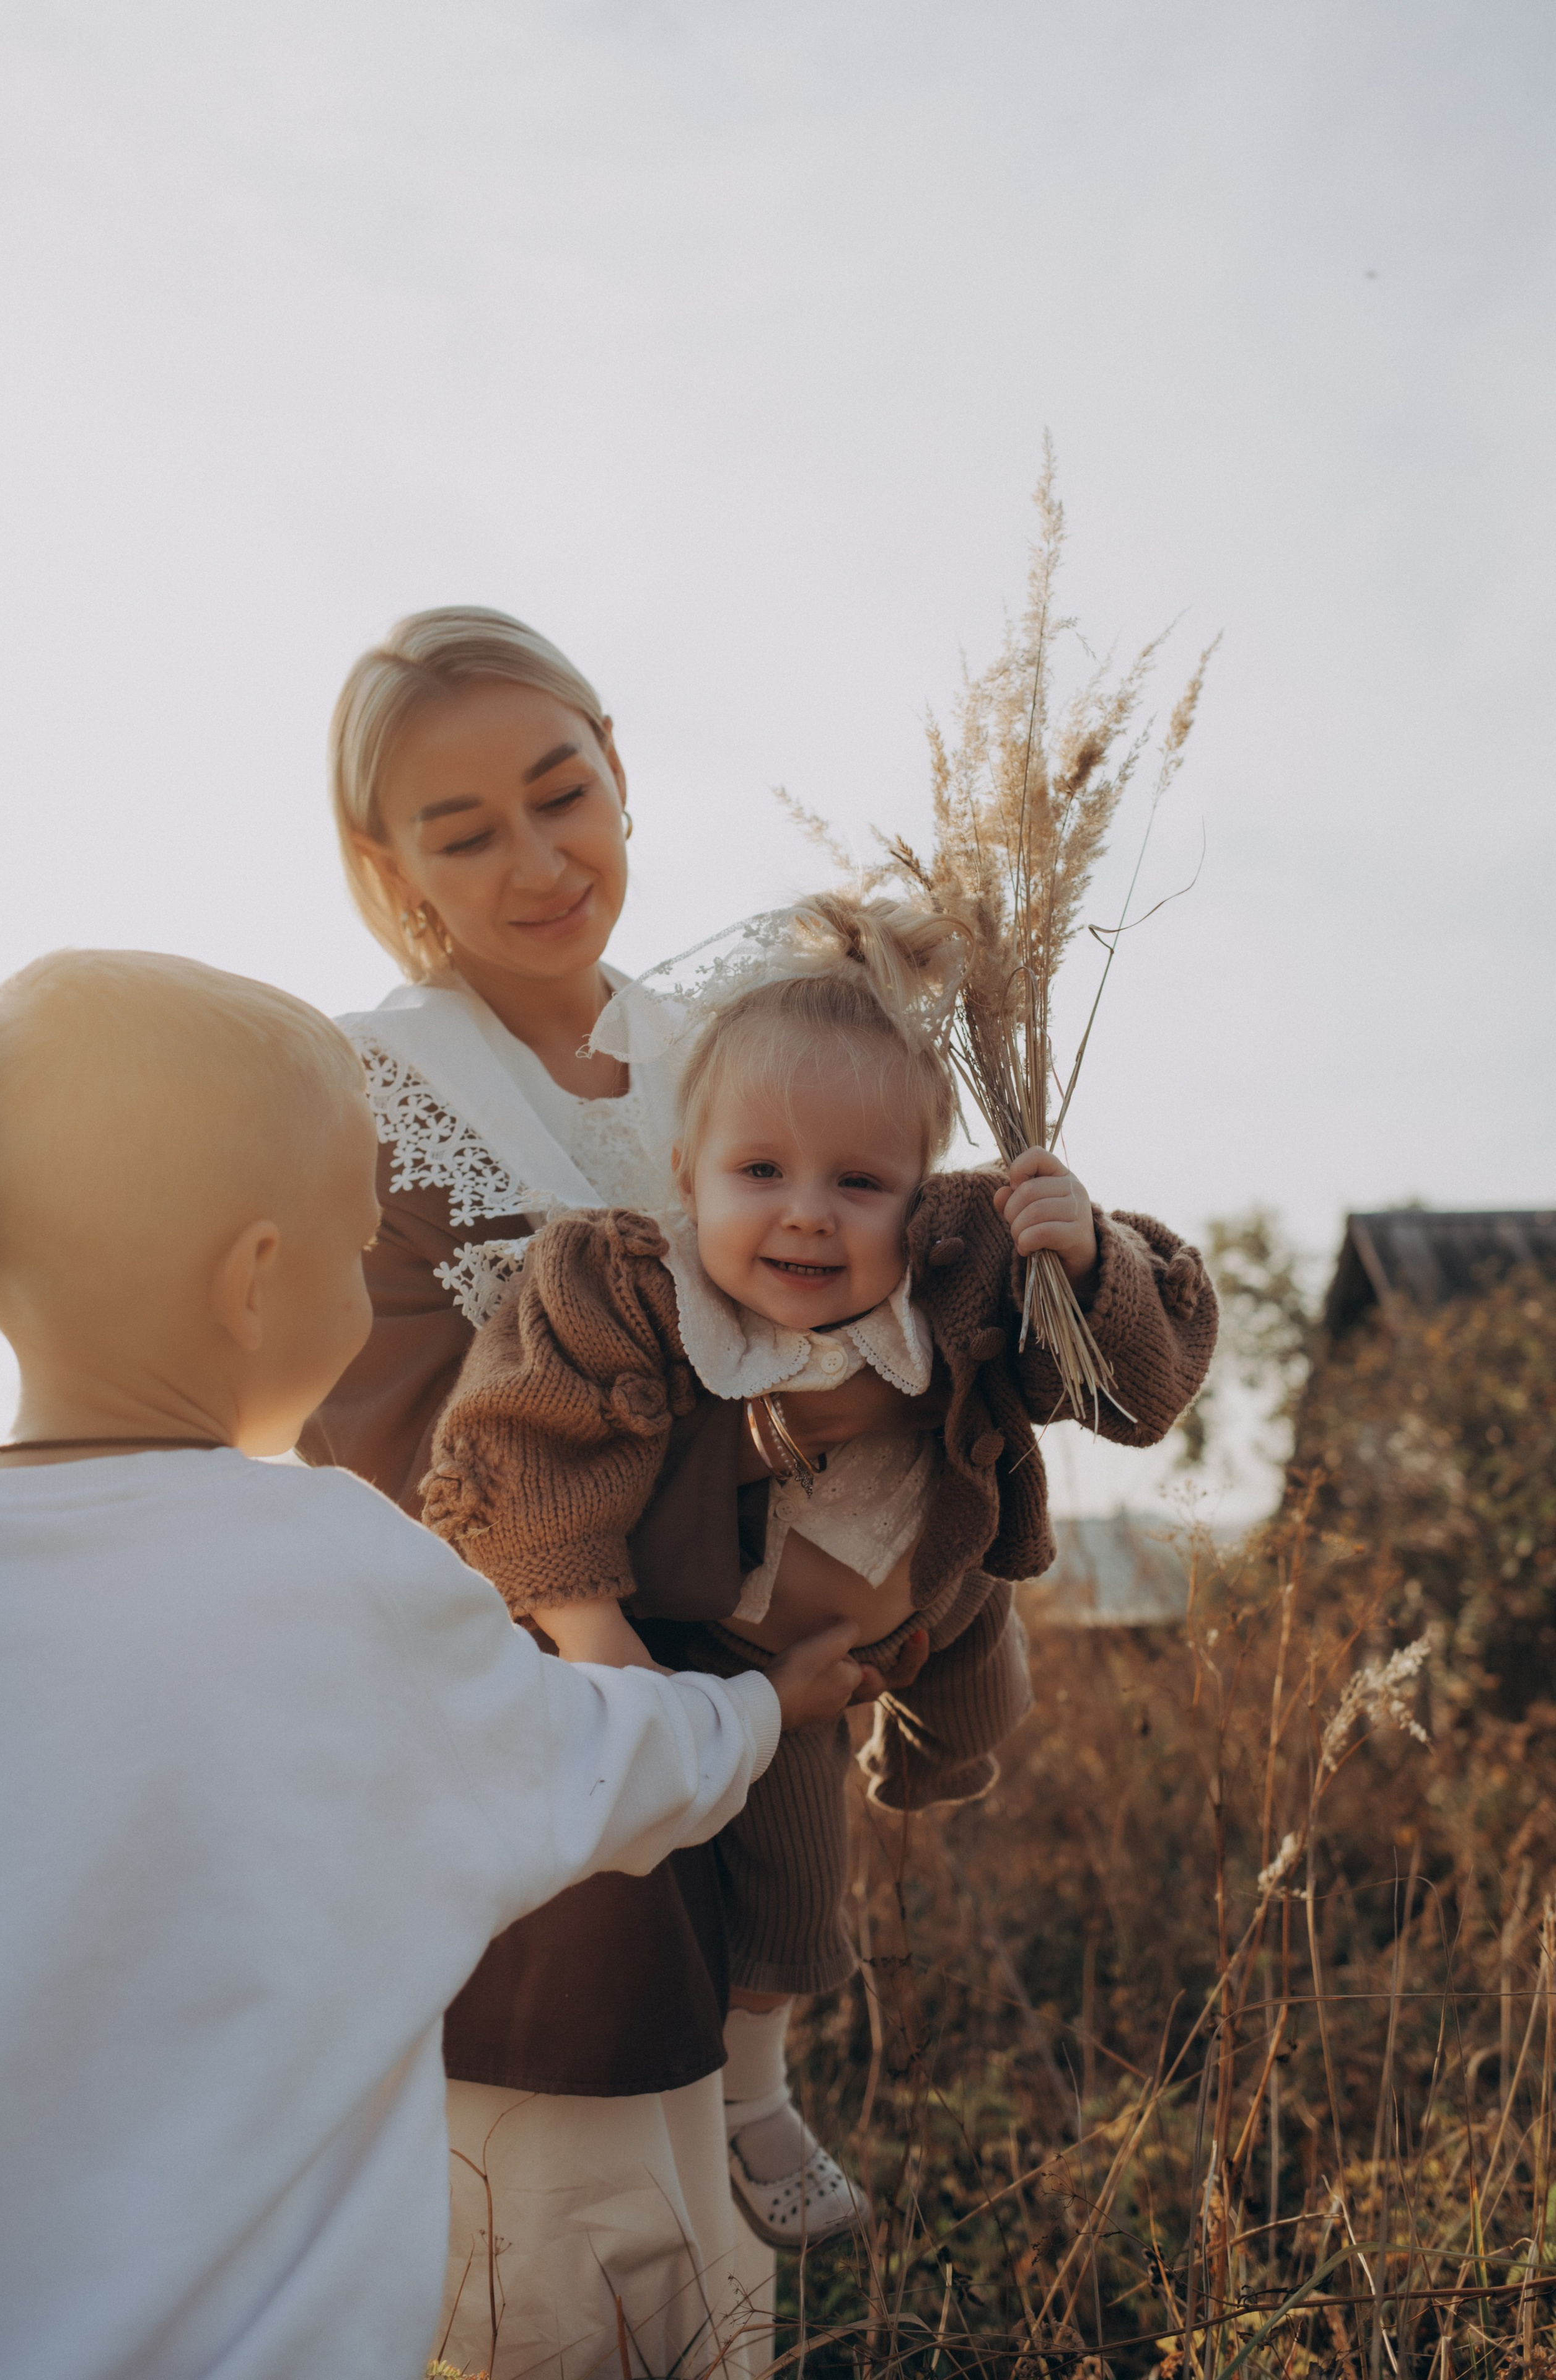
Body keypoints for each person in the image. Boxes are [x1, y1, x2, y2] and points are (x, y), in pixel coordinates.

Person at [0, 948, 868, 2380]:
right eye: (351, 1246)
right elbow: (601, 1759)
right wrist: (768, 1708)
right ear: (254, 1281)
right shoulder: (338, 1565)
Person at [300, 609, 939, 2367]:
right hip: (542, 1759)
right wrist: (769, 1498)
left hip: (766, 1715)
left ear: (618, 769)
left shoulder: (736, 1045)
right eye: (462, 831)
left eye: (560, 792)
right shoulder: (367, 1095)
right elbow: (404, 1464)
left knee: (714, 2282)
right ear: (389, 864)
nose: (537, 861)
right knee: (564, 2269)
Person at [423, 891, 1220, 2244]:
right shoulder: (626, 1287)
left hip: (947, 1577)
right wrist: (602, 1646)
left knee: (979, 1713)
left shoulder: (965, 1264)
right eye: (761, 1173)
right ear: (685, 1174)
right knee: (794, 1898)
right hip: (770, 1651)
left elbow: (1137, 1391)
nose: (807, 1218)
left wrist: (1089, 1256)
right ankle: (758, 2090)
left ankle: (929, 1756)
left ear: (924, 1194)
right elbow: (523, 1447)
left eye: (859, 1184)